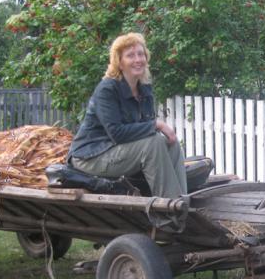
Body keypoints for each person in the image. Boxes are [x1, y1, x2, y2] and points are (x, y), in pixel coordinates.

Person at [67, 33, 187, 198]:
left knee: (171, 143)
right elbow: (117, 133)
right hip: (91, 157)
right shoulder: (107, 89)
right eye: (130, 55)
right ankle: (169, 211)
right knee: (154, 142)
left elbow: (142, 131)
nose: (138, 59)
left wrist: (154, 128)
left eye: (141, 54)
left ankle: (182, 201)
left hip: (117, 150)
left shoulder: (144, 89)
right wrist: (157, 124)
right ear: (119, 62)